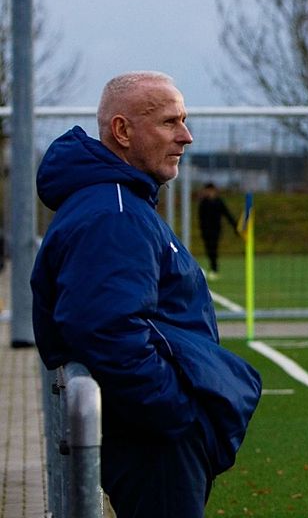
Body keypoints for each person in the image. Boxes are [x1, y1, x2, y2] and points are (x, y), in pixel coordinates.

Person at [31, 72, 262, 518]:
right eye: (170, 123)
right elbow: (103, 327)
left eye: (185, 121)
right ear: (122, 131)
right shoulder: (113, 212)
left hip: (152, 432)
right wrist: (175, 415)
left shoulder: (119, 202)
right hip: (153, 438)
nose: (186, 136)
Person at [198, 182, 238, 279]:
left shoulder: (219, 202)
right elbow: (200, 217)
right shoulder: (204, 202)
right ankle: (212, 268)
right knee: (208, 249)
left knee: (213, 248)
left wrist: (235, 226)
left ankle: (214, 269)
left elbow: (227, 214)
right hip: (206, 231)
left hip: (215, 230)